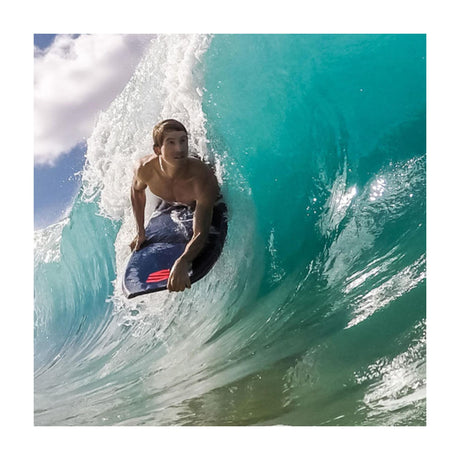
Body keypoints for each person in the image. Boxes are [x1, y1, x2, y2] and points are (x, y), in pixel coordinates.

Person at [130, 119, 219, 292]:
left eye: (183, 141)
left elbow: (201, 233)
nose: (179, 148)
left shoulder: (202, 178)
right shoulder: (144, 169)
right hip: (173, 197)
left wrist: (183, 260)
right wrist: (140, 231)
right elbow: (137, 191)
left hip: (202, 201)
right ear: (157, 150)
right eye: (171, 143)